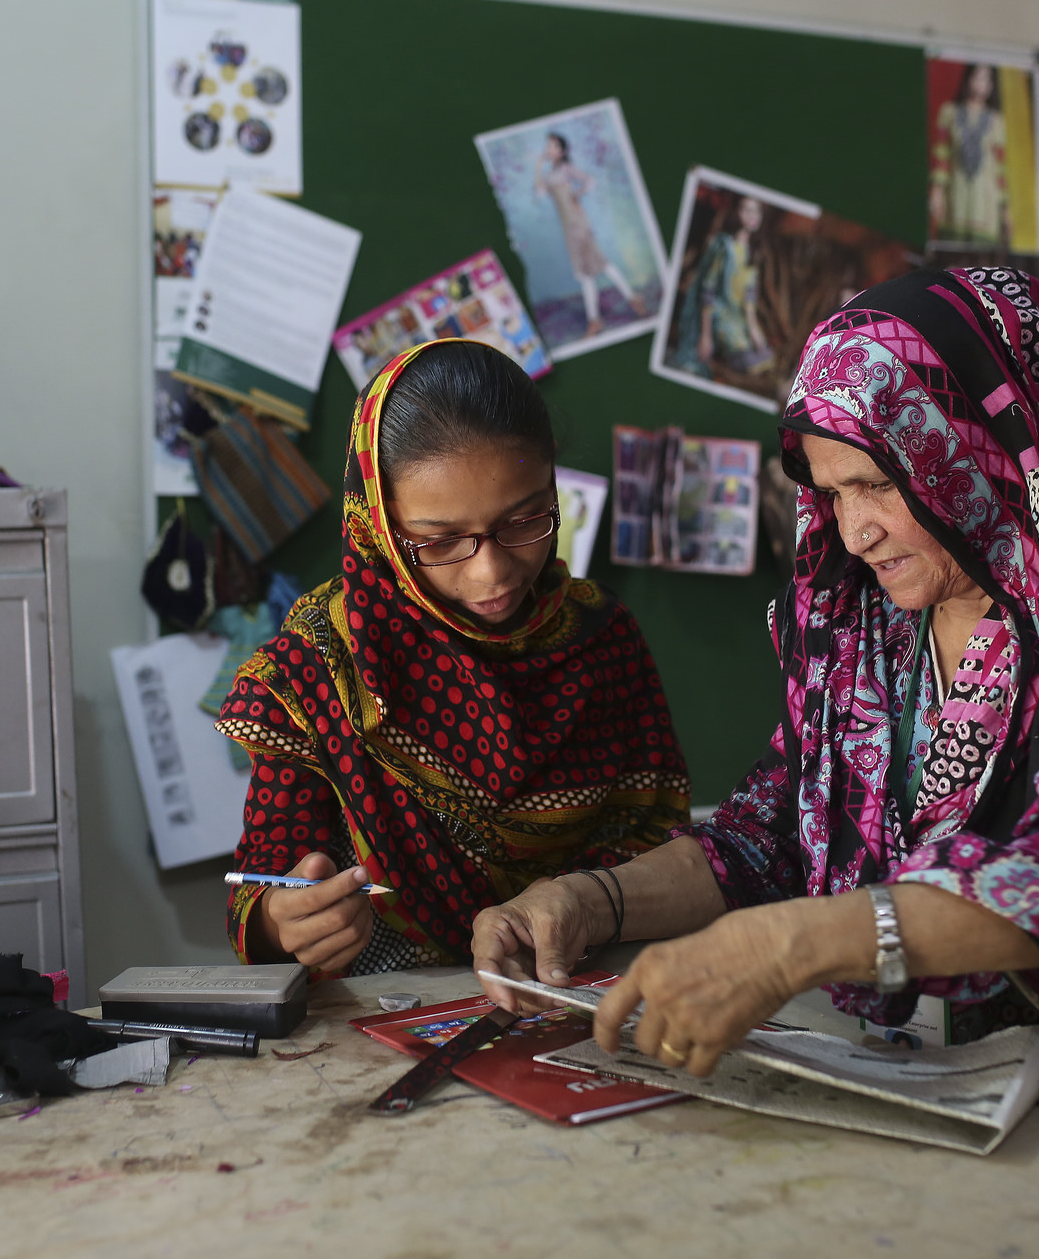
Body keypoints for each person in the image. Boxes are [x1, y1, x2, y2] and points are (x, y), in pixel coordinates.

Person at [474, 268, 1039, 1222]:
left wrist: (802, 942)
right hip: (961, 1102)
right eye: (831, 492)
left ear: (973, 447)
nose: (856, 527)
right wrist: (591, 901)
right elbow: (782, 829)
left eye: (878, 481)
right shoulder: (869, 621)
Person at [217, 338, 690, 975]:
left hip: (580, 993)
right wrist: (285, 922)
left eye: (525, 521)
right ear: (378, 527)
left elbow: (662, 846)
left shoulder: (601, 640)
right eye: (440, 543)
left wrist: (590, 908)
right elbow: (260, 890)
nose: (492, 572)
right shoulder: (314, 675)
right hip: (385, 1015)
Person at [534, 132, 647, 338]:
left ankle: (612, 311)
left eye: (553, 146)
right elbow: (540, 193)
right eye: (547, 146)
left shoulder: (566, 169)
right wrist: (538, 165)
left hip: (579, 225)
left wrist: (577, 195)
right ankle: (603, 316)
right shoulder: (550, 175)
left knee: (596, 267)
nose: (548, 149)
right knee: (588, 271)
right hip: (569, 229)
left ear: (562, 151)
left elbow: (590, 180)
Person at [670, 193, 774, 381]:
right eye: (746, 210)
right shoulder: (724, 246)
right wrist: (706, 335)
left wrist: (753, 329)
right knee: (749, 364)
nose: (752, 216)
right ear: (736, 212)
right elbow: (708, 290)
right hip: (719, 315)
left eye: (757, 211)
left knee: (765, 356)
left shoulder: (754, 252)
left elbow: (749, 296)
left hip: (740, 317)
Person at [929, 62, 1008, 247]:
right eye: (979, 77)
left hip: (986, 206)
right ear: (968, 79)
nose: (982, 84)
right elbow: (941, 155)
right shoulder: (949, 112)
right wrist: (937, 191)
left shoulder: (997, 121)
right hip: (956, 199)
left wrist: (1005, 209)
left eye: (987, 79)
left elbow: (1001, 167)